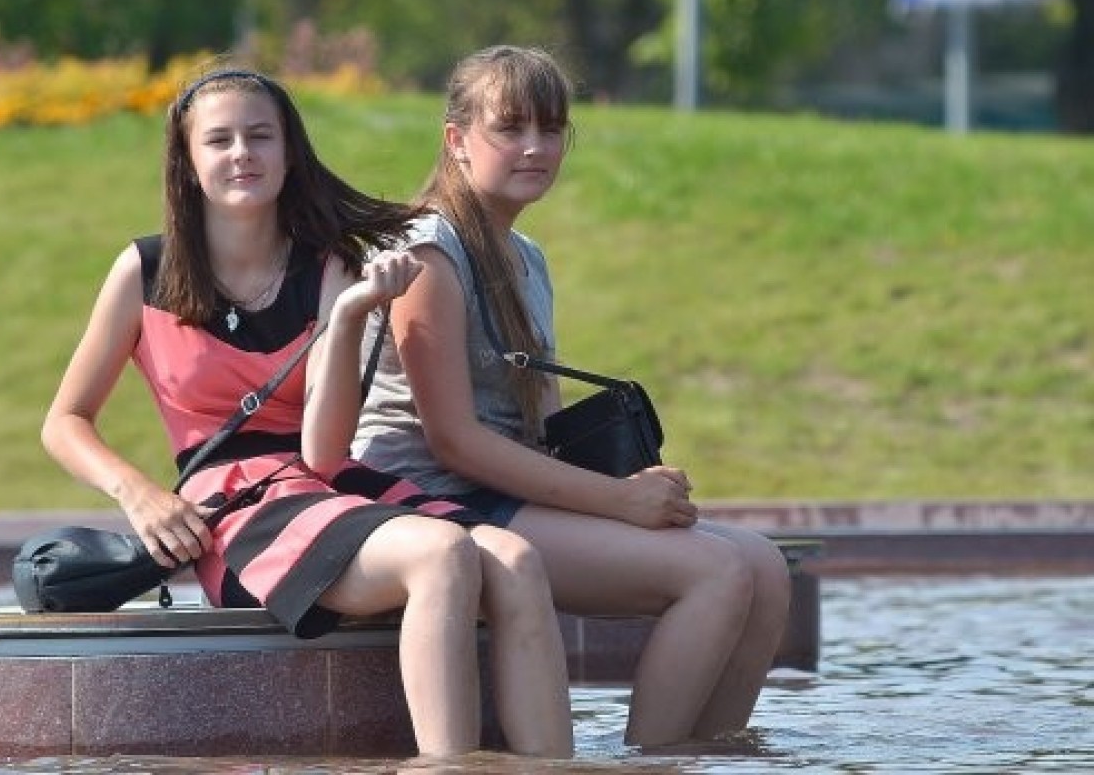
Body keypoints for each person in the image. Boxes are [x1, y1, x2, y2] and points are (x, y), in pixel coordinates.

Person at [40, 64, 572, 759]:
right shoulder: (144, 271)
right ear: (187, 160)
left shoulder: (329, 268)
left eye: (261, 136)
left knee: (519, 560)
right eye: (220, 140)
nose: (243, 154)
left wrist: (347, 317)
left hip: (328, 480)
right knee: (441, 554)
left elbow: (324, 453)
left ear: (290, 152)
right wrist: (139, 494)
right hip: (233, 508)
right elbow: (65, 421)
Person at [353, 45, 791, 749]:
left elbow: (545, 428)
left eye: (551, 129)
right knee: (716, 571)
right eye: (510, 127)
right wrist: (618, 503)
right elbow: (452, 441)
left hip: (504, 490)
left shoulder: (527, 257)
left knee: (765, 565)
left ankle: (710, 754)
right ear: (457, 139)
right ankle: (654, 760)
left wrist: (635, 488)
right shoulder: (428, 252)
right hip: (430, 498)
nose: (535, 146)